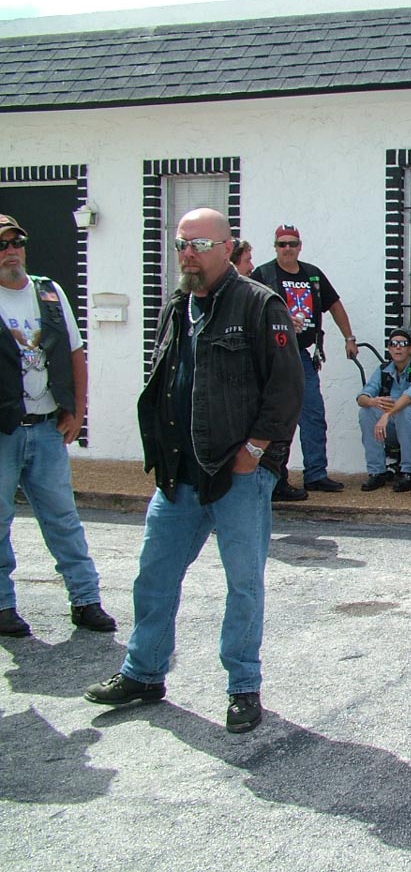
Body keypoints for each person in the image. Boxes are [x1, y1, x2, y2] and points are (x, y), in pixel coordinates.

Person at [85, 208, 302, 734]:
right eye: (182, 243)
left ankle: (243, 686)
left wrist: (254, 452)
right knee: (154, 575)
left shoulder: (260, 304)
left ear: (227, 248)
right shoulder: (176, 306)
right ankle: (144, 672)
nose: (187, 254)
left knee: (243, 584)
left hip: (237, 474)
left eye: (199, 245)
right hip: (180, 473)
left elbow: (286, 388)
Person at [0, 213, 116, 638]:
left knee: (63, 519)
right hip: (4, 429)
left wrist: (78, 412)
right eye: (2, 245)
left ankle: (86, 600)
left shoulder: (48, 291)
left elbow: (74, 354)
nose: (11, 251)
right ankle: (2, 606)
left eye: (16, 242)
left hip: (48, 425)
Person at [251, 224, 358, 500]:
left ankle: (316, 474)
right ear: (275, 247)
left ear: (300, 246)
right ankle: (277, 478)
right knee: (277, 418)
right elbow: (249, 311)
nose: (287, 249)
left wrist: (349, 337)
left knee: (313, 414)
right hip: (273, 358)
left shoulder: (312, 274)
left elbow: (335, 305)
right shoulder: (263, 275)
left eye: (292, 243)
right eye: (282, 244)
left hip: (301, 355)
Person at [356, 329, 411, 492]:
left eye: (403, 344)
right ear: (389, 349)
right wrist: (372, 401)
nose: (398, 347)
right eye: (394, 344)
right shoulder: (383, 370)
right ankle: (377, 472)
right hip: (390, 426)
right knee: (366, 412)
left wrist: (387, 414)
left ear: (410, 348)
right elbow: (361, 397)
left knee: (405, 411)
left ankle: (409, 472)